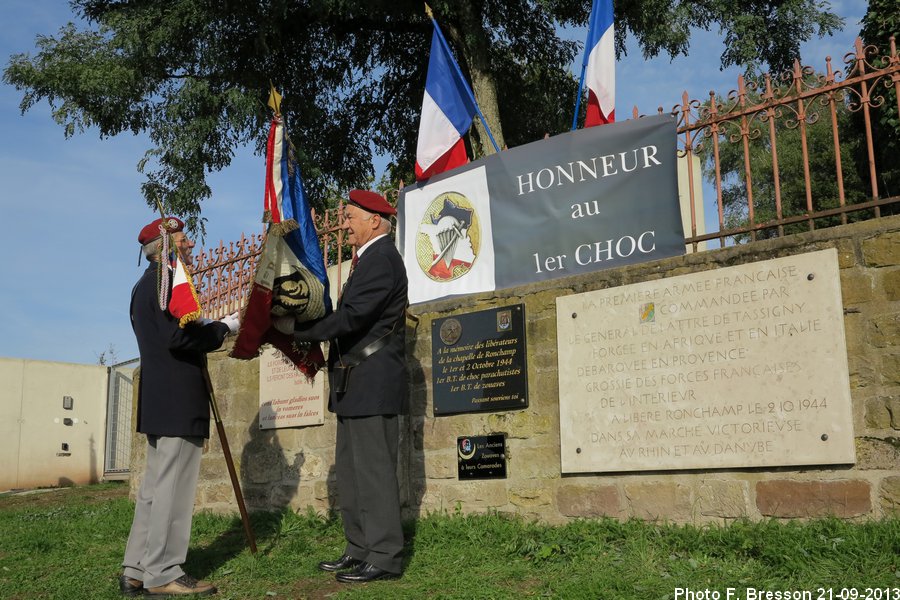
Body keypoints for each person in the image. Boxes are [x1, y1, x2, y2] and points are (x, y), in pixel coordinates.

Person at [120, 216, 239, 597]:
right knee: (171, 491)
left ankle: (136, 568)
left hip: (160, 400)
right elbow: (177, 337)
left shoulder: (144, 286)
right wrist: (223, 328)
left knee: (154, 490)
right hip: (178, 399)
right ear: (165, 246)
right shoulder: (163, 282)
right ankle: (164, 572)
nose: (190, 246)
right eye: (183, 240)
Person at [294, 189, 408, 583]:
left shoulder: (382, 259)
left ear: (374, 220)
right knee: (352, 472)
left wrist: (301, 330)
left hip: (372, 380)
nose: (345, 224)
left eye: (351, 217)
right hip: (353, 382)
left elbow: (354, 317)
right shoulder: (368, 260)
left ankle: (386, 555)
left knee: (374, 471)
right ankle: (359, 548)